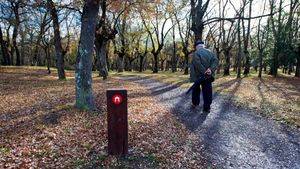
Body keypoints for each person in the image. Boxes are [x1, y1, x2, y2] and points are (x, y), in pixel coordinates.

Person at [190, 40, 219, 112]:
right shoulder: (211, 53)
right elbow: (215, 61)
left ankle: (195, 103)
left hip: (197, 77)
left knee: (196, 90)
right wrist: (210, 70)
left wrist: (204, 72)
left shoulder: (196, 53)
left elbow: (197, 64)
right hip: (208, 76)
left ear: (196, 47)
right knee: (208, 91)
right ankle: (207, 107)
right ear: (203, 45)